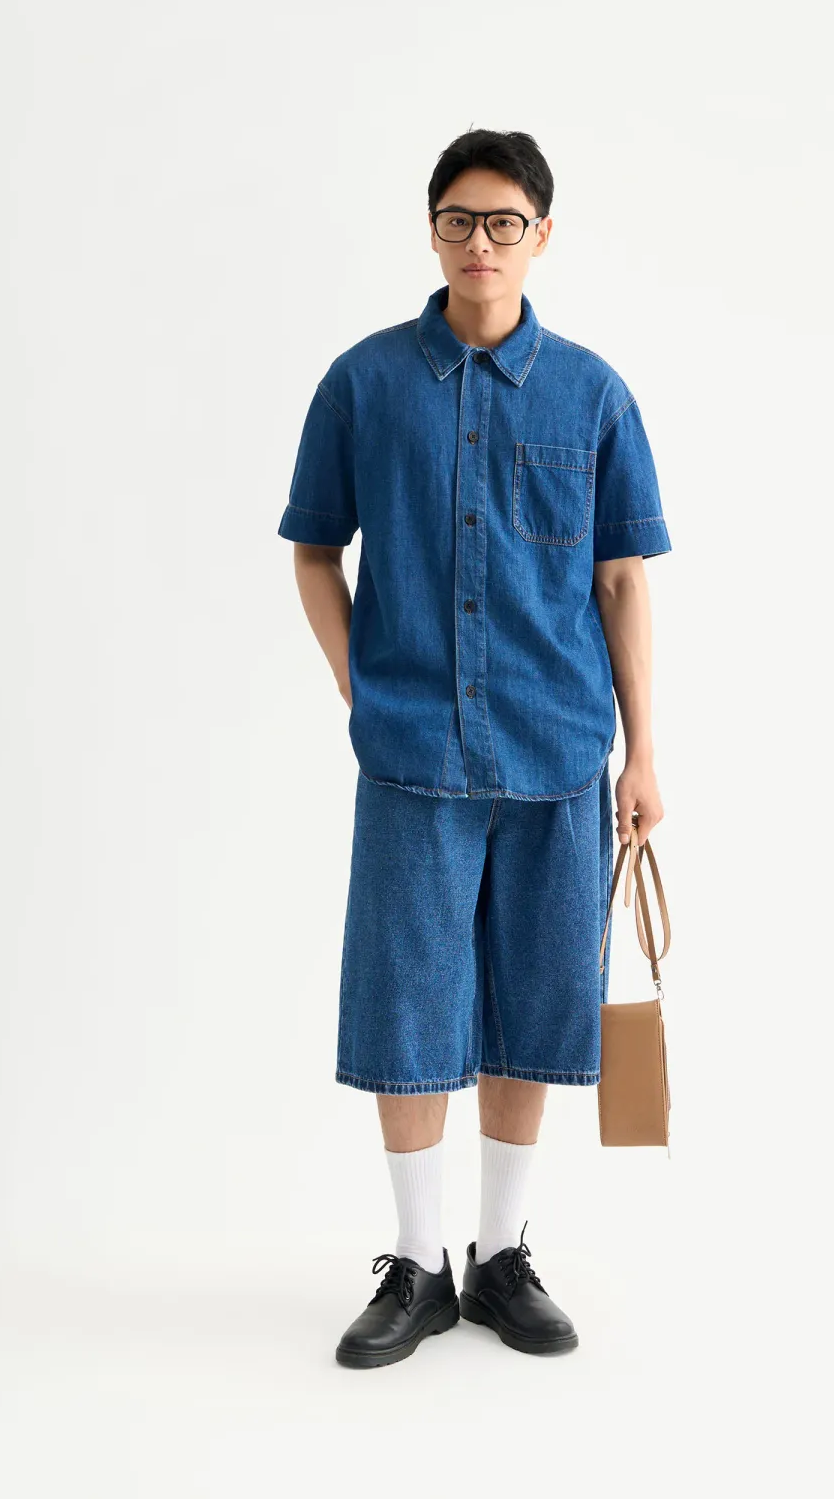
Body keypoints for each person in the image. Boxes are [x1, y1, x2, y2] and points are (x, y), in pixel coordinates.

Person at [277, 128, 672, 1368]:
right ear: (432, 230)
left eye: (505, 221)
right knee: (407, 1006)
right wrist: (360, 683)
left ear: (541, 235)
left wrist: (645, 754)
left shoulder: (593, 394)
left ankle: (502, 1257)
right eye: (460, 219)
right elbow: (313, 550)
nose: (482, 242)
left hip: (560, 752)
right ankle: (419, 1263)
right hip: (412, 758)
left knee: (534, 1005)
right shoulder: (363, 383)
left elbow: (622, 578)